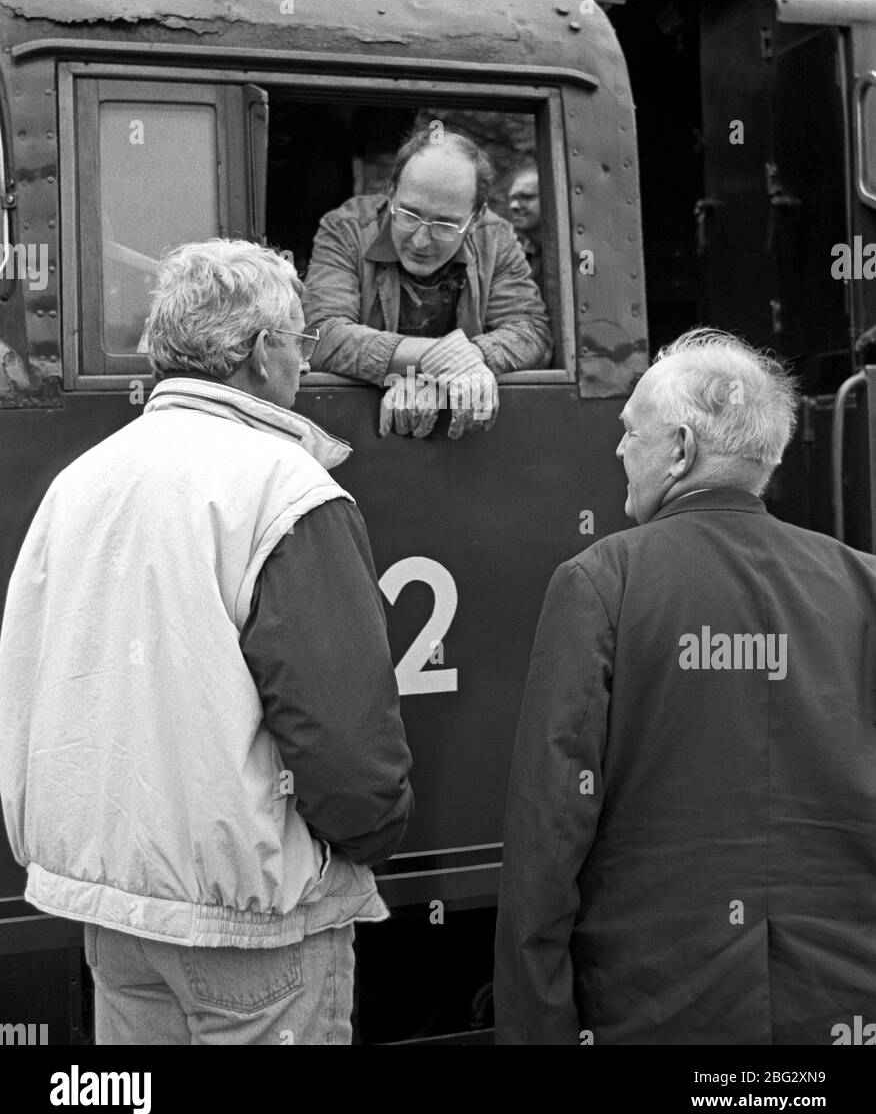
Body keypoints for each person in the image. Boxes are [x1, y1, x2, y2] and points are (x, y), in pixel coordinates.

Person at [0, 238, 413, 1046]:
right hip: (253, 922)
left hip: (113, 915)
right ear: (262, 353)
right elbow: (344, 732)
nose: (303, 363)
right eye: (298, 341)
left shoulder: (79, 482)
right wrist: (369, 839)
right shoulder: (287, 488)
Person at [494, 328, 876, 1045]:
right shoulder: (864, 583)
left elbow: (550, 829)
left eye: (629, 432)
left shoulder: (600, 582)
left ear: (678, 449)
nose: (617, 451)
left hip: (661, 1006)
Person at [303, 126, 553, 440]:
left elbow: (531, 330)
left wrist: (457, 364)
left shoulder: (495, 237)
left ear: (475, 218)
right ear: (391, 192)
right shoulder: (346, 229)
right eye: (408, 214)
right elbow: (319, 332)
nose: (421, 240)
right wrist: (438, 359)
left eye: (445, 223)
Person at [507, 161, 543, 294]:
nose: (514, 206)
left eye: (526, 197)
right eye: (512, 198)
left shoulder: (583, 252)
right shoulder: (517, 255)